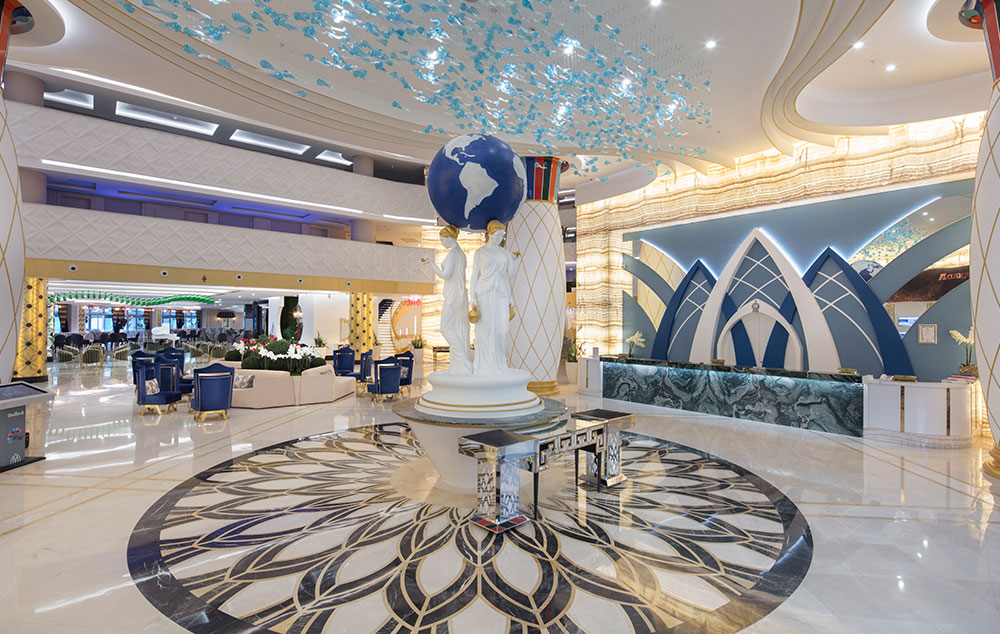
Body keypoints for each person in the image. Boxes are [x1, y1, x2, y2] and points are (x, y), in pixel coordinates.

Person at [470, 219, 516, 376]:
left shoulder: (505, 253)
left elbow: (510, 274)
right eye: (497, 235)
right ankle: (485, 366)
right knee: (486, 329)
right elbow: (475, 276)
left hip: (501, 292)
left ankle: (499, 363)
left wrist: (513, 261)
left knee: (503, 330)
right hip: (484, 292)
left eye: (502, 236)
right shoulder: (480, 253)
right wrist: (472, 296)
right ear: (490, 234)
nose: (500, 238)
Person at [424, 225, 472, 374]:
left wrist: (432, 264)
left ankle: (462, 360)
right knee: (457, 328)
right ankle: (460, 363)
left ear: (450, 238)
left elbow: (446, 275)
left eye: (443, 240)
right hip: (459, 294)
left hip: (453, 295)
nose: (442, 243)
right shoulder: (461, 254)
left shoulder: (453, 253)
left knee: (445, 328)